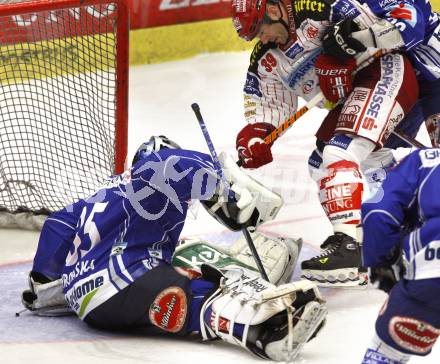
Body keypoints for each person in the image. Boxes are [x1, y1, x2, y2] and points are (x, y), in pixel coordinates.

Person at [21, 135, 327, 361]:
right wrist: (224, 187)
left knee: (185, 294)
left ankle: (252, 323)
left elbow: (57, 226)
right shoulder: (153, 171)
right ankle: (271, 328)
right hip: (123, 277)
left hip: (89, 301)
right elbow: (169, 166)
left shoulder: (103, 193)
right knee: (204, 296)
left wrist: (46, 286)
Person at [231, 0, 440, 287]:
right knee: (321, 161)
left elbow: (398, 22)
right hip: (365, 89)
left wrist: (354, 42)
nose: (261, 37)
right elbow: (268, 107)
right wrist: (256, 135)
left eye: (261, 29)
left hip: (389, 71)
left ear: (275, 11)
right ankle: (387, 233)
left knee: (340, 151)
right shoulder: (267, 57)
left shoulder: (318, 7)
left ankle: (348, 249)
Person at [360, 148, 440, 363]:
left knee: (387, 353)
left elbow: (379, 212)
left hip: (433, 272)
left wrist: (381, 260)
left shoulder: (424, 161)